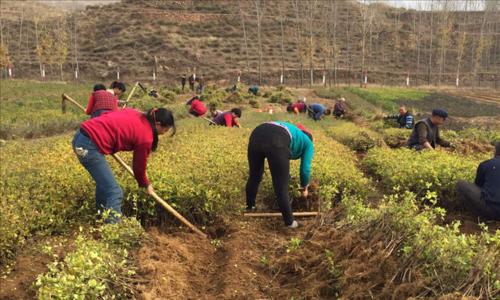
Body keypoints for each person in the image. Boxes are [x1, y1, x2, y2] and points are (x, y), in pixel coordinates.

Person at [72, 108, 175, 223]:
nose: (163, 133)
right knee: (115, 191)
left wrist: (109, 138)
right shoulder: (146, 137)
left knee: (104, 185)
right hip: (88, 146)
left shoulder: (135, 113)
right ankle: (113, 229)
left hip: (80, 135)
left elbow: (107, 115)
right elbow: (138, 167)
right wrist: (145, 184)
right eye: (165, 130)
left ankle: (101, 218)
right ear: (158, 124)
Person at [246, 122, 314, 228]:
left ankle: (250, 207)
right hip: (277, 137)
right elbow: (305, 169)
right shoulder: (308, 143)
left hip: (257, 132)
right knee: (281, 186)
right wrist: (305, 187)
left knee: (255, 175)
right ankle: (290, 222)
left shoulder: (293, 132)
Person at [456, 142, 500, 220]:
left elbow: (478, 185)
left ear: (495, 151)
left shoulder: (485, 164)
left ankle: (476, 215)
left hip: (489, 210)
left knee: (460, 184)